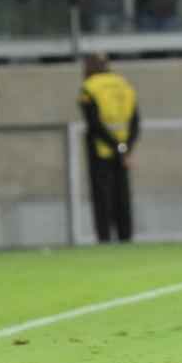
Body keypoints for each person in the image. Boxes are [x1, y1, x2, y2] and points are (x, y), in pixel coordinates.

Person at [78, 54, 140, 243]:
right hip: (124, 150)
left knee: (102, 197)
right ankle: (126, 237)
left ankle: (104, 238)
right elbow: (135, 121)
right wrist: (124, 148)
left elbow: (94, 124)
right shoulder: (124, 84)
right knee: (122, 195)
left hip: (100, 150)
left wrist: (115, 146)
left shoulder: (89, 88)